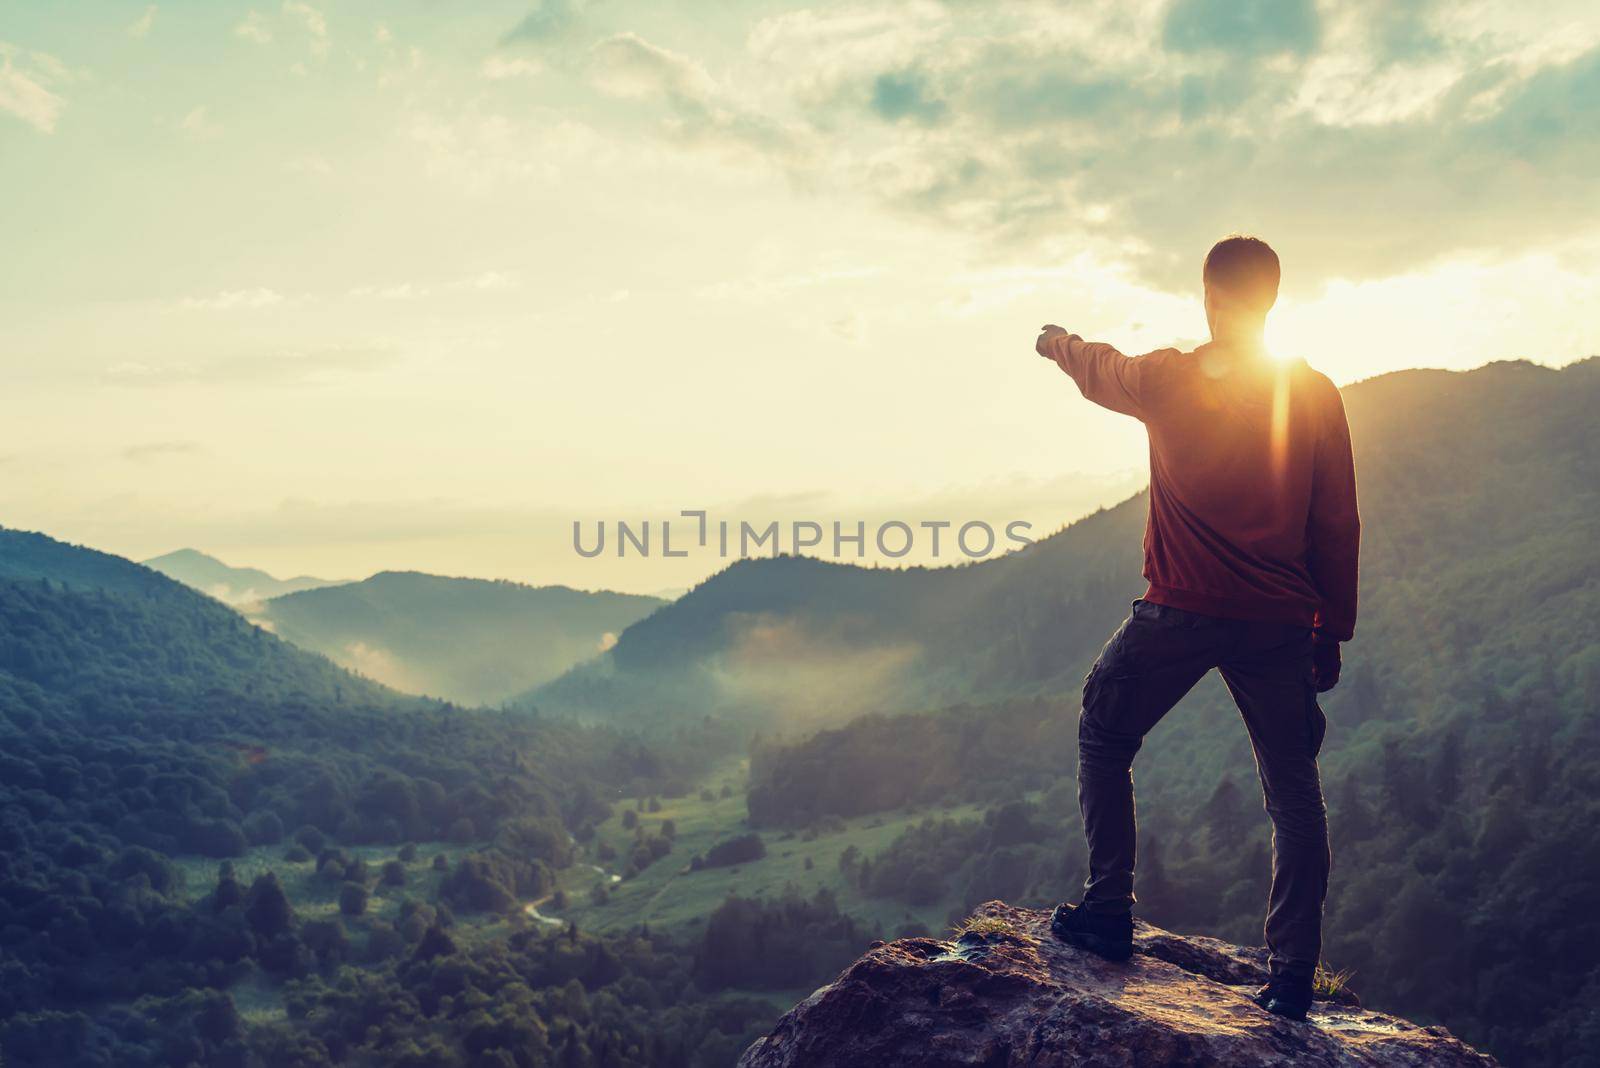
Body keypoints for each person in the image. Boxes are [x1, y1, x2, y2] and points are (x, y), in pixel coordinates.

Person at [1034, 235, 1360, 1022]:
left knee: (1104, 734)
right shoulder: (1312, 393)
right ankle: (1290, 977)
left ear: (1209, 296)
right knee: (1294, 796)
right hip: (1280, 623)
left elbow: (1099, 367)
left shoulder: (1168, 379)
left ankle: (1109, 911)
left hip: (1176, 611)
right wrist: (1330, 630)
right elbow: (1338, 522)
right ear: (1273, 301)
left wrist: (1054, 342)